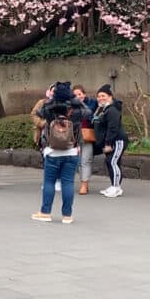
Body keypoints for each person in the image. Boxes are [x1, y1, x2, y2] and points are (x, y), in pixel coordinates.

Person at [32, 82, 86, 223]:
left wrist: (51, 100)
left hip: (52, 152)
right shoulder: (76, 109)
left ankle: (45, 212)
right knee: (68, 183)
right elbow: (88, 114)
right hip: (72, 151)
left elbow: (38, 114)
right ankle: (67, 216)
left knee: (49, 182)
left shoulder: (50, 107)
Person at [94, 84, 128, 198]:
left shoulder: (112, 110)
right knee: (110, 162)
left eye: (103, 96)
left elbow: (112, 128)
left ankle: (116, 187)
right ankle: (113, 185)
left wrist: (108, 143)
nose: (100, 98)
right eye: (98, 96)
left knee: (112, 162)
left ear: (110, 97)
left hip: (117, 141)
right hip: (111, 141)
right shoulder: (104, 110)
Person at [72, 84, 98, 194]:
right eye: (75, 95)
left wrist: (80, 104)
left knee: (85, 160)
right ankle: (84, 182)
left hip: (87, 135)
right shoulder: (70, 105)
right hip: (74, 136)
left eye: (80, 94)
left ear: (84, 94)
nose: (78, 96)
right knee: (77, 162)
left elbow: (89, 114)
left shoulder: (92, 103)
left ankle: (84, 184)